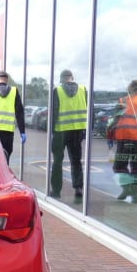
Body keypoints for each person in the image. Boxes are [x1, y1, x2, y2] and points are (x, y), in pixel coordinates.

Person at [109, 79, 137, 204]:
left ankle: (126, 189)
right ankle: (134, 192)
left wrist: (110, 137)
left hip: (124, 137)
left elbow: (113, 121)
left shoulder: (123, 101)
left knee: (119, 166)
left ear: (129, 88)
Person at [50, 69, 88, 200]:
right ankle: (78, 188)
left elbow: (53, 113)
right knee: (76, 161)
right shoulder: (83, 90)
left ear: (62, 79)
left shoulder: (58, 90)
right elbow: (90, 110)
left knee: (57, 162)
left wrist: (51, 131)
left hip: (61, 131)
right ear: (72, 78)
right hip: (77, 131)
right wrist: (87, 130)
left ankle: (56, 191)